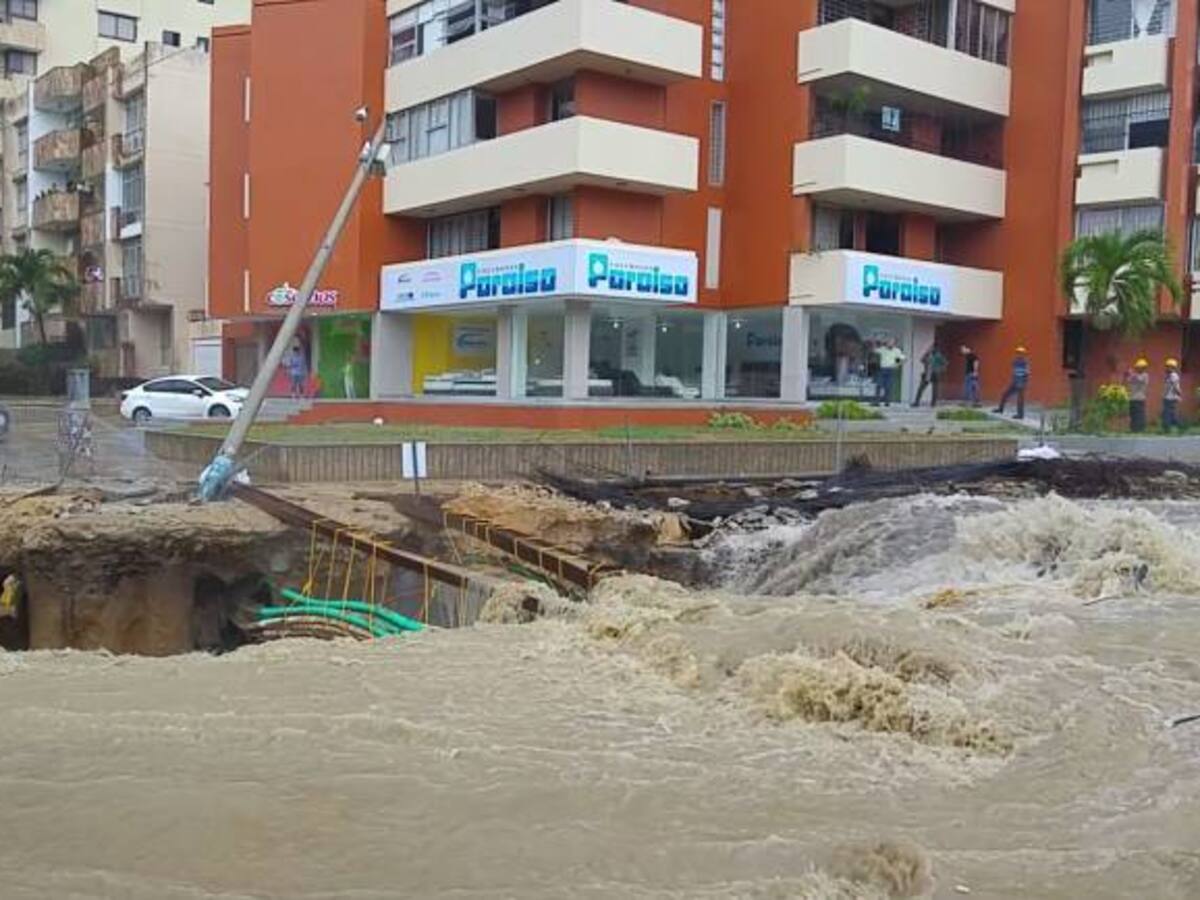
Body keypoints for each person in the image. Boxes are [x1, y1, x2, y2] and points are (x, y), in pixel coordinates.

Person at [994, 346, 1030, 419]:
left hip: (1021, 381)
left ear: (1023, 354)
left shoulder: (1025, 362)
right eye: (1018, 352)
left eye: (1020, 353)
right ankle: (1001, 409)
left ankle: (1020, 415)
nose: (1019, 354)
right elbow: (1014, 372)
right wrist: (1014, 380)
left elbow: (1027, 373)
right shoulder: (1015, 361)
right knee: (1005, 394)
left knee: (1020, 399)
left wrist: (1024, 382)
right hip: (1015, 380)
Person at [874, 338, 906, 406]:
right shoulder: (883, 349)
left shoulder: (897, 350)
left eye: (891, 342)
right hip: (882, 369)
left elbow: (902, 359)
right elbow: (875, 350)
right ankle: (876, 402)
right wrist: (877, 343)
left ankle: (887, 402)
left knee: (888, 386)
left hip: (891, 370)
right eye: (889, 342)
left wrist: (896, 364)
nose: (890, 344)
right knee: (879, 385)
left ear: (894, 343)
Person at [1124, 358, 1149, 433]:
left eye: (1140, 367)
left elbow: (1139, 379)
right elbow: (1128, 381)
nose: (1138, 369)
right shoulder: (1135, 375)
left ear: (1143, 368)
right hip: (1132, 397)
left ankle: (1140, 429)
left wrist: (1132, 374)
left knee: (1139, 414)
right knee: (1133, 414)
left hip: (1140, 398)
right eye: (1137, 367)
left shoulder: (1145, 375)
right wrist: (1127, 375)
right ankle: (1133, 429)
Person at [1162, 358, 1182, 432]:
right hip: (1167, 397)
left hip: (1171, 397)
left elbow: (1175, 386)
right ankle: (1177, 426)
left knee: (1168, 413)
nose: (1167, 368)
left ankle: (1168, 428)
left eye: (1168, 366)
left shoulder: (1173, 375)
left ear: (1173, 367)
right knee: (1170, 413)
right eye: (1167, 366)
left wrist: (1179, 394)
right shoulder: (1169, 375)